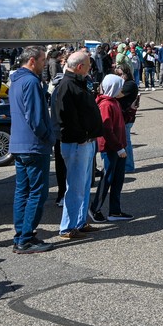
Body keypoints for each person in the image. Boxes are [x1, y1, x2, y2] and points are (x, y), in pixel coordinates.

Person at [9, 46, 57, 254]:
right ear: (31, 61)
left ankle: (21, 234)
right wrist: (49, 137)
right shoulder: (30, 81)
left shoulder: (16, 81)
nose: (44, 64)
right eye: (42, 60)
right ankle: (25, 238)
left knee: (23, 191)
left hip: (20, 144)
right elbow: (35, 118)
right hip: (33, 145)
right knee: (37, 192)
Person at [52, 50, 105, 237]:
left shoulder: (78, 83)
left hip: (86, 141)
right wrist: (82, 136)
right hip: (77, 143)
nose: (91, 69)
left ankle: (80, 222)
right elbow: (63, 119)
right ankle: (67, 226)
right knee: (74, 187)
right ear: (80, 67)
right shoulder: (66, 86)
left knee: (83, 185)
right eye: (89, 65)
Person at [90, 74, 131, 224]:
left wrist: (131, 110)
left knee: (118, 179)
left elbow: (122, 120)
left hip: (118, 146)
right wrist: (119, 147)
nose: (122, 89)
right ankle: (95, 208)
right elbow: (106, 129)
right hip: (111, 147)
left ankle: (115, 210)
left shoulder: (113, 102)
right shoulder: (106, 104)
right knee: (107, 178)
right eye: (120, 86)